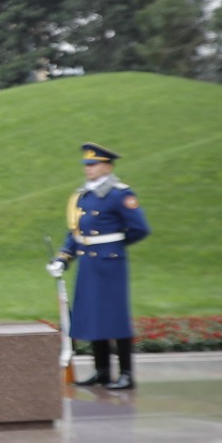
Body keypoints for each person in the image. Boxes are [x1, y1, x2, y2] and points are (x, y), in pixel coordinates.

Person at [53, 141, 150, 390]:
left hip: (110, 264)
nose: (88, 169)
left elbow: (140, 229)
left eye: (93, 165)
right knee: (95, 317)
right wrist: (64, 258)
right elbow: (75, 231)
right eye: (86, 165)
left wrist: (114, 246)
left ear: (108, 166)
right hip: (88, 263)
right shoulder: (83, 196)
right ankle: (102, 371)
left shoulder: (120, 194)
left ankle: (127, 374)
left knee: (115, 317)